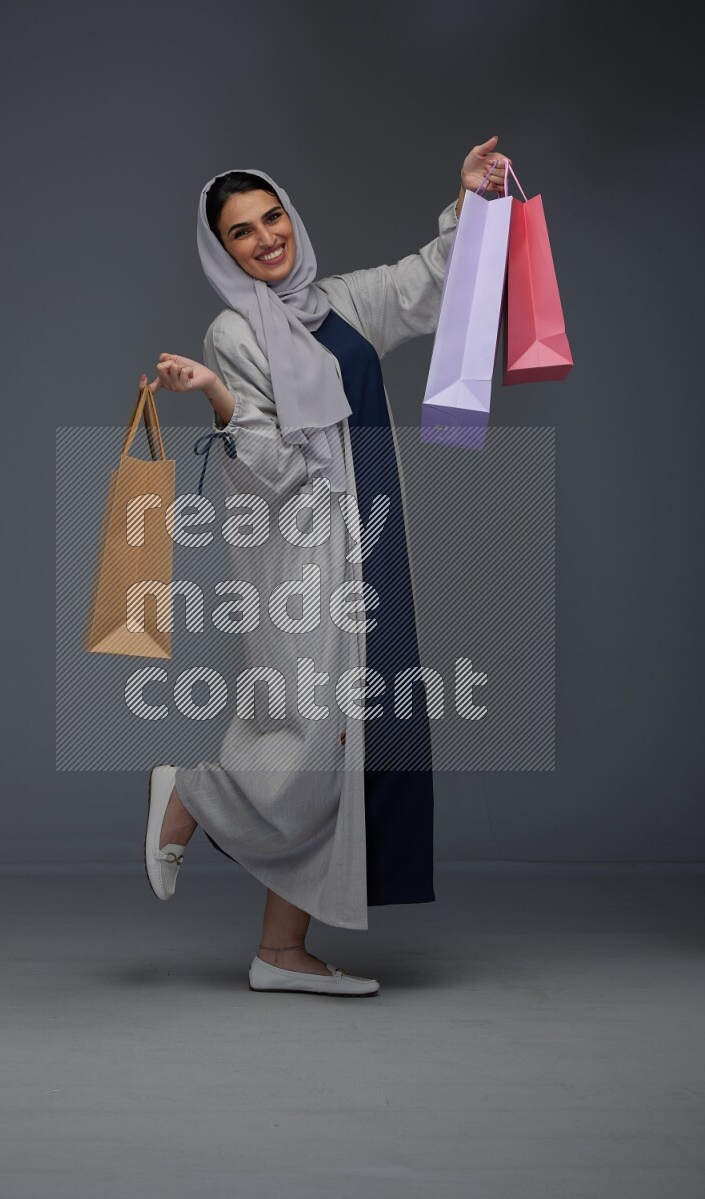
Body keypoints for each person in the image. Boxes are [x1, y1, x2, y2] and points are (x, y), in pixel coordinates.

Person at [142, 137, 511, 997]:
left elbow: (428, 281)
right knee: (317, 734)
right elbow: (270, 466)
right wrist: (214, 391)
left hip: (371, 536)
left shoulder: (337, 302)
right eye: (241, 232)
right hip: (300, 551)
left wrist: (471, 201)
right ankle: (194, 792)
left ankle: (281, 949)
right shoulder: (233, 332)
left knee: (354, 734)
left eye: (272, 218)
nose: (266, 238)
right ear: (221, 250)